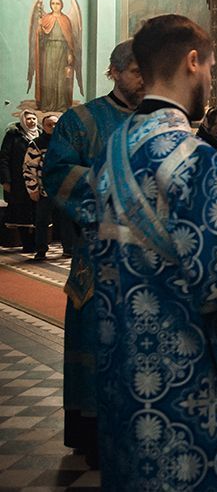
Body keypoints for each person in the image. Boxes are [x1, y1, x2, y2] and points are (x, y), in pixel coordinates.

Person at [88, 15, 217, 490]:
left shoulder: (112, 149)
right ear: (193, 62)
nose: (210, 80)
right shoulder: (194, 158)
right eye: (209, 67)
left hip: (123, 368)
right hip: (190, 377)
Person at [42, 39, 143, 466]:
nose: (142, 80)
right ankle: (93, 435)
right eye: (135, 72)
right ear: (114, 72)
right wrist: (116, 185)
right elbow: (57, 174)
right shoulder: (81, 120)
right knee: (96, 341)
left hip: (145, 258)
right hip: (98, 255)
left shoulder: (154, 121)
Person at [1, 110, 40, 252]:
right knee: (22, 212)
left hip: (38, 180)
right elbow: (4, 159)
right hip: (18, 181)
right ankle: (27, 244)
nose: (32, 121)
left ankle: (38, 244)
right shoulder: (13, 136)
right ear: (23, 120)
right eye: (28, 118)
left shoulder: (41, 135)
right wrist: (6, 181)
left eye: (34, 118)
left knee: (37, 212)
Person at [23, 113, 59, 260]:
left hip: (64, 189)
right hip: (45, 190)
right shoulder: (37, 143)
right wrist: (33, 189)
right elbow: (28, 167)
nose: (53, 127)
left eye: (56, 124)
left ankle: (69, 249)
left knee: (68, 221)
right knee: (42, 221)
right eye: (49, 125)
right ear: (43, 127)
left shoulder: (67, 141)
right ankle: (41, 250)